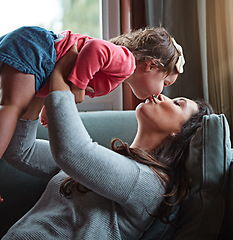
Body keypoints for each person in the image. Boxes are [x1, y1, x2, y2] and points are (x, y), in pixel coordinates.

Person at [1, 44, 213, 239]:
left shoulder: (152, 185)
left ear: (180, 132)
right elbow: (21, 151)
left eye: (177, 103)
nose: (161, 95)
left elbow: (72, 153)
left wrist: (59, 74)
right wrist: (44, 82)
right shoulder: (103, 160)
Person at [0, 25, 185, 158]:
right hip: (39, 50)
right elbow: (95, 48)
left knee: (15, 106)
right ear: (151, 66)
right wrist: (78, 86)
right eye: (165, 83)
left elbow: (63, 70)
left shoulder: (119, 71)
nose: (162, 92)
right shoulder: (127, 62)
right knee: (13, 106)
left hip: (38, 56)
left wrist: (50, 103)